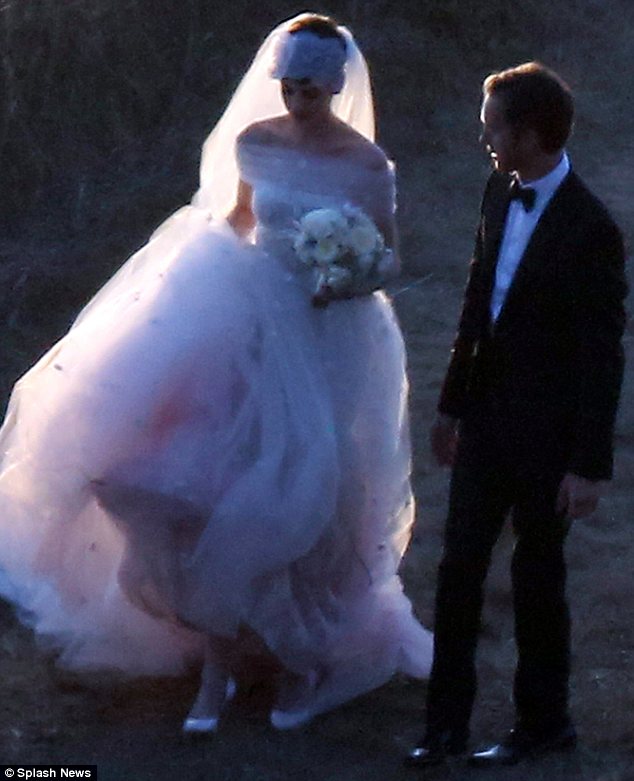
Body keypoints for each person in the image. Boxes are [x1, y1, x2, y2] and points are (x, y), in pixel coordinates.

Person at [0, 13, 432, 735]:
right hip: (253, 323)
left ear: (335, 88)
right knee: (209, 483)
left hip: (330, 335)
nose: (296, 103)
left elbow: (389, 256)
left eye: (311, 92)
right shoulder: (255, 143)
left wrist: (345, 272)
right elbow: (237, 218)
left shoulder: (367, 167)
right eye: (288, 88)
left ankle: (303, 660)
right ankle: (220, 660)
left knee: (315, 498)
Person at [404, 62, 627, 768]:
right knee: (459, 570)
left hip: (547, 435)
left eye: (493, 125)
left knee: (537, 578)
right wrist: (450, 405)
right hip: (486, 423)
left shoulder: (591, 228)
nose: (483, 136)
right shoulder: (498, 192)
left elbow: (603, 355)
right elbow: (477, 302)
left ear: (529, 134)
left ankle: (544, 723)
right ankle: (443, 730)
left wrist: (588, 466)